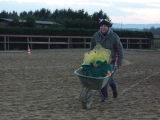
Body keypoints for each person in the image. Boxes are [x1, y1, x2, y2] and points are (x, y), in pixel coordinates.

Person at [90, 18, 124, 102]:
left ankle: (114, 89)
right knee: (101, 79)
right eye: (102, 26)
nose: (103, 27)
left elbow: (120, 49)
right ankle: (104, 97)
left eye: (105, 26)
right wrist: (91, 59)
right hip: (100, 61)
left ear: (108, 27)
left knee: (109, 78)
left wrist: (119, 62)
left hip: (110, 61)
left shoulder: (114, 36)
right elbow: (92, 48)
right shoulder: (95, 36)